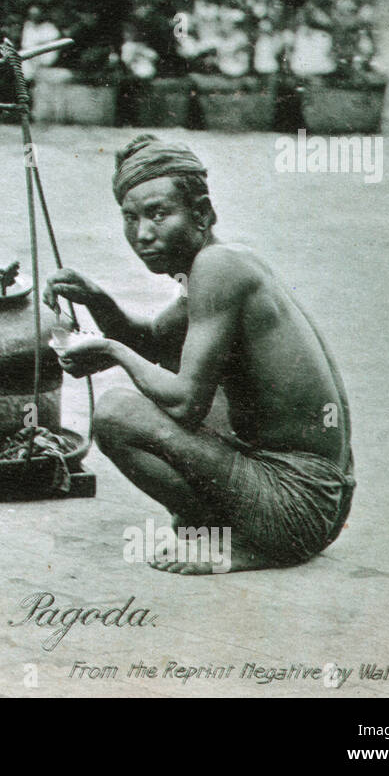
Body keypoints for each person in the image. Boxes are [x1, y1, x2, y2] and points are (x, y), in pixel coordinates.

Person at [44, 134, 354, 574]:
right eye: (130, 219)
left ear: (202, 213)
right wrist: (97, 299)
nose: (142, 234)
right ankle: (228, 528)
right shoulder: (218, 264)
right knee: (181, 384)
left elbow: (186, 404)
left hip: (297, 507)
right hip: (321, 501)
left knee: (116, 412)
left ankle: (239, 542)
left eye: (158, 214)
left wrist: (111, 350)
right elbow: (154, 341)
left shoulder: (217, 269)